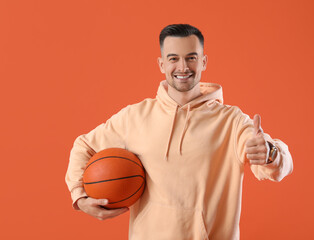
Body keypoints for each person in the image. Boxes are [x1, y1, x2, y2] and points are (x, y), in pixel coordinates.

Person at [65, 23, 293, 240]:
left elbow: (278, 164)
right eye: (173, 59)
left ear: (203, 62)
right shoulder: (134, 117)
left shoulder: (231, 121)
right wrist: (80, 196)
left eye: (191, 58)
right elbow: (83, 145)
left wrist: (270, 152)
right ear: (161, 64)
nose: (182, 67)